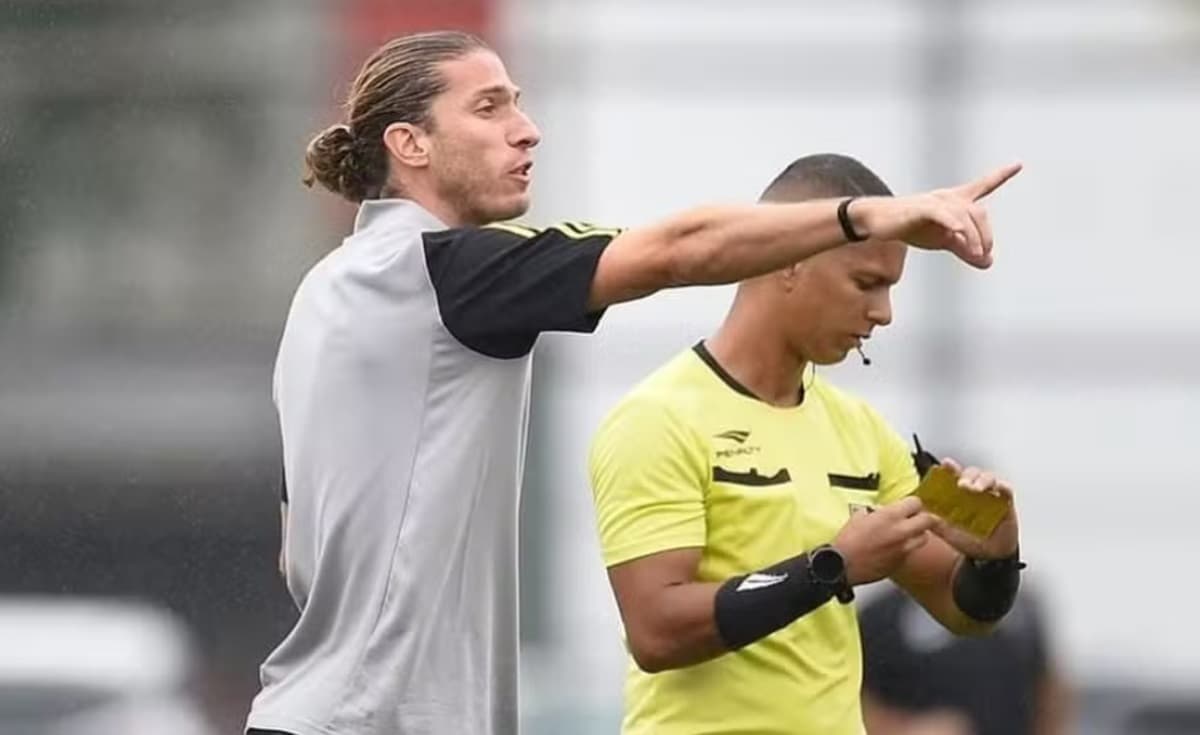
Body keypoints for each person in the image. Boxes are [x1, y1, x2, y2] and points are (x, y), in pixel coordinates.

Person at [244, 27, 1021, 735]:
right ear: (409, 144)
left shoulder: (323, 296)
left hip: (311, 707)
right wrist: (873, 214)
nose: (527, 127)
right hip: (379, 718)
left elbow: (295, 550)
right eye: (489, 107)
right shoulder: (445, 273)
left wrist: (994, 552)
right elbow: (679, 249)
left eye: (519, 102)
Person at [587, 154, 1027, 735]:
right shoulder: (657, 418)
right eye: (867, 283)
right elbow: (657, 631)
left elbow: (963, 611)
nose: (884, 313)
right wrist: (833, 567)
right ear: (789, 262)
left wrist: (994, 558)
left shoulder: (863, 431)